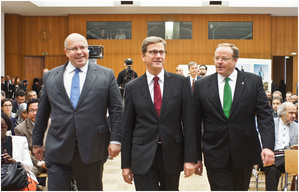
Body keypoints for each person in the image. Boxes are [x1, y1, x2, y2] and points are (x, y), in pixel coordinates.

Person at [32, 33, 123, 191]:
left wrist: (116, 140)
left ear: (88, 49)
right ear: (66, 52)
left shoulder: (106, 75)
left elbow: (116, 110)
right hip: (58, 146)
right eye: (74, 48)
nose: (79, 51)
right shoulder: (51, 76)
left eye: (83, 47)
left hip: (92, 148)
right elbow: (42, 112)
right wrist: (37, 141)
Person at [193, 43, 275, 191]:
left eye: (224, 58)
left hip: (244, 150)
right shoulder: (201, 85)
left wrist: (268, 146)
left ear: (235, 60)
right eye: (216, 58)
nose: (219, 62)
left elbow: (265, 115)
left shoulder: (253, 81)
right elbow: (195, 122)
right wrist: (195, 156)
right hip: (215, 151)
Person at [121, 36, 197, 191]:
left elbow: (189, 123)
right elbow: (127, 127)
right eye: (153, 52)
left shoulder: (180, 82)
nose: (158, 56)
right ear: (143, 56)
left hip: (172, 153)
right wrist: (126, 164)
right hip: (142, 154)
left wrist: (190, 158)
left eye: (161, 52)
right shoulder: (132, 87)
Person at [261, 102, 298, 191]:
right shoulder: (270, 124)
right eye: (291, 113)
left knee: (287, 158)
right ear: (282, 112)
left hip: (288, 158)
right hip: (269, 157)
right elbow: (261, 143)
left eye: (295, 113)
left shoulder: (297, 127)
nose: (294, 115)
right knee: (272, 170)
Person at [1, 111, 38, 190]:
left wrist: (14, 162)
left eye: (3, 127)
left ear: (7, 127)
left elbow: (29, 166)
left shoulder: (20, 141)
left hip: (18, 179)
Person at [15, 99, 48, 178]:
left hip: (52, 160)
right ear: (27, 113)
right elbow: (25, 152)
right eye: (31, 110)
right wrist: (41, 163)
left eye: (37, 110)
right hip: (34, 163)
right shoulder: (20, 129)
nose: (35, 113)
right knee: (26, 175)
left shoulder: (51, 123)